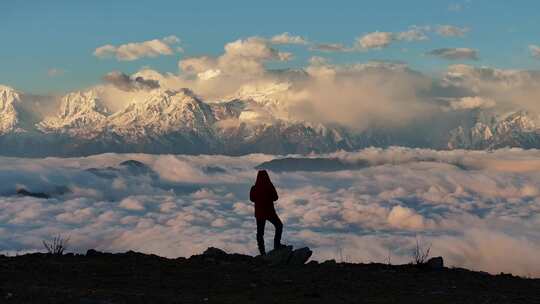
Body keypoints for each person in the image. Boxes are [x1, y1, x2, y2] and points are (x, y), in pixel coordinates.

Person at [249, 170, 284, 255]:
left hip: (259, 213)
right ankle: (277, 245)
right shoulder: (269, 186)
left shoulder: (254, 188)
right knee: (279, 226)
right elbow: (276, 197)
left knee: (260, 233)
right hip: (270, 212)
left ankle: (262, 252)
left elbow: (252, 199)